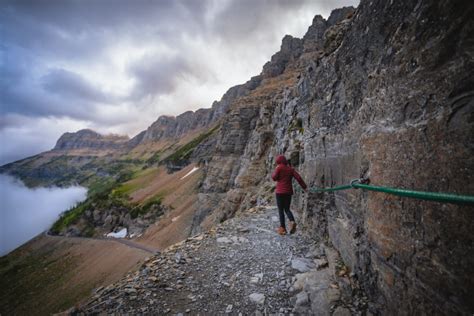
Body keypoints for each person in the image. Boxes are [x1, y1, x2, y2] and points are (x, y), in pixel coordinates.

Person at [271, 155, 308, 235]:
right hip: (288, 192)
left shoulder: (279, 168)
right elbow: (298, 178)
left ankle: (282, 228)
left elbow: (274, 178)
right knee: (287, 209)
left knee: (281, 210)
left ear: (278, 161)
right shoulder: (290, 169)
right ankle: (292, 221)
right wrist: (304, 187)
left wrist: (275, 171)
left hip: (280, 192)